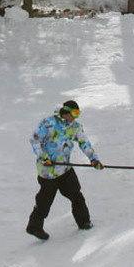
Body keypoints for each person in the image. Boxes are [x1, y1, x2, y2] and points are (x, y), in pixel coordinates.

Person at [26, 100, 104, 240]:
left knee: (76, 195)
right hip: (48, 172)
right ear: (66, 112)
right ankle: (34, 227)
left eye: (78, 114)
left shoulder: (75, 127)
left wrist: (93, 159)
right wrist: (43, 157)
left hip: (65, 169)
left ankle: (84, 222)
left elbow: (83, 142)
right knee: (44, 201)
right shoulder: (49, 123)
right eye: (74, 113)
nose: (75, 117)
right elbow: (34, 140)